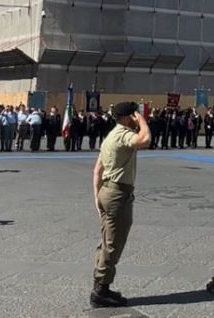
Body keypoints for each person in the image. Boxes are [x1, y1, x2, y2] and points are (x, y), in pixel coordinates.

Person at [90, 102, 151, 309]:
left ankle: (102, 286)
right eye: (135, 114)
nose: (137, 117)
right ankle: (100, 291)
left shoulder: (110, 136)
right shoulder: (123, 134)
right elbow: (145, 139)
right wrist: (142, 121)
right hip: (118, 194)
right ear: (129, 116)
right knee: (113, 243)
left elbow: (97, 170)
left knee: (106, 240)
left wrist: (97, 196)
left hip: (107, 191)